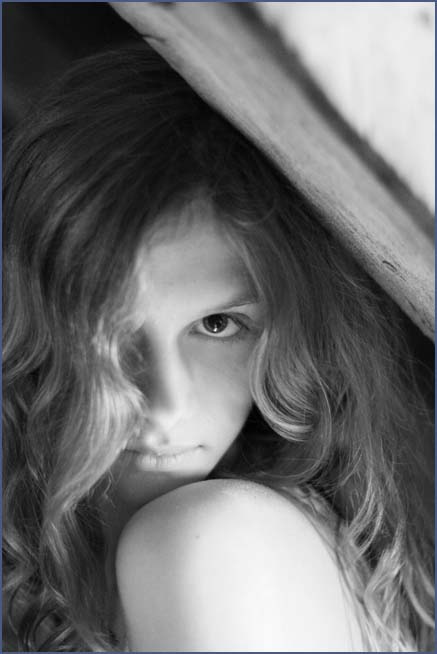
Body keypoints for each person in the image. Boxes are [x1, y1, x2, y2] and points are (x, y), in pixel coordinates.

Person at [3, 44, 434, 653]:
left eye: (216, 324)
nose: (165, 405)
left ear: (288, 336)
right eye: (111, 331)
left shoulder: (208, 542)